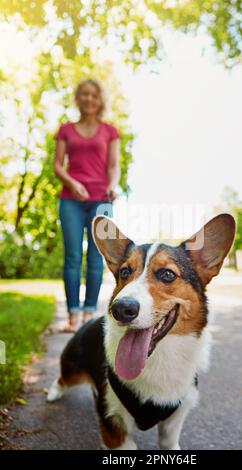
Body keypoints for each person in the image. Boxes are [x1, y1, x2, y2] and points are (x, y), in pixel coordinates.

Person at [54, 78, 121, 332]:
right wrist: (72, 183)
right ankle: (73, 316)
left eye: (93, 94)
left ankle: (90, 314)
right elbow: (58, 165)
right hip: (71, 200)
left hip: (101, 201)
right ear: (78, 98)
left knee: (96, 258)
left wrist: (113, 185)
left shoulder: (110, 131)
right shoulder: (66, 130)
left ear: (100, 99)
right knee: (72, 257)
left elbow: (114, 166)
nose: (88, 99)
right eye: (84, 94)